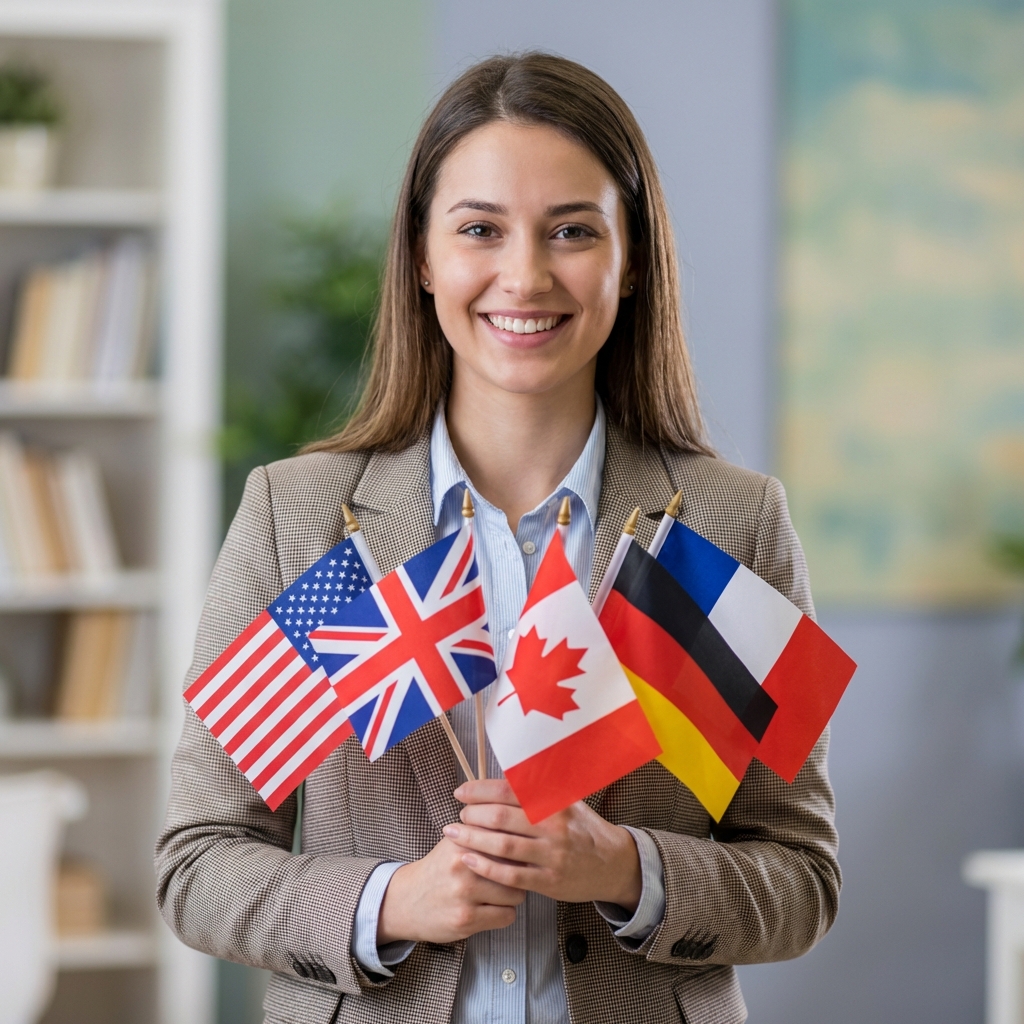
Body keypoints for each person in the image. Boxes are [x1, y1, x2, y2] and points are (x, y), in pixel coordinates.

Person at [155, 52, 839, 1024]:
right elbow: (198, 861)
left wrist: (622, 866)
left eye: (571, 231)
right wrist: (389, 899)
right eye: (480, 228)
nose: (524, 274)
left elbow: (802, 877)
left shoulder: (731, 524)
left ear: (630, 257)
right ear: (424, 257)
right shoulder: (304, 518)